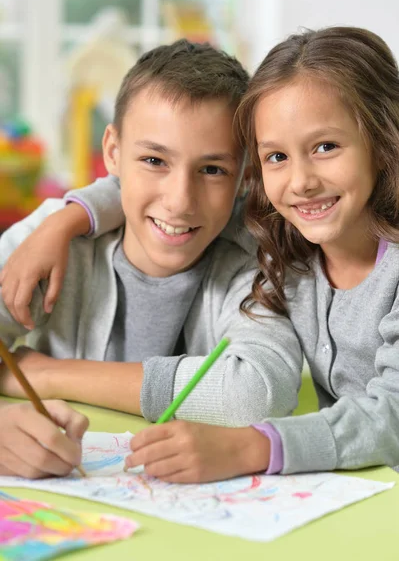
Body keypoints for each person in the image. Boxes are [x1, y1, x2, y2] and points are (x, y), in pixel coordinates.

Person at [5, 26, 398, 484]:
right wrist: (70, 217)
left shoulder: (266, 249)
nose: (179, 200)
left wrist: (45, 374)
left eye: (213, 170)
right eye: (155, 161)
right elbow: (154, 196)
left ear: (241, 178)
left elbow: (267, 398)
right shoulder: (284, 241)